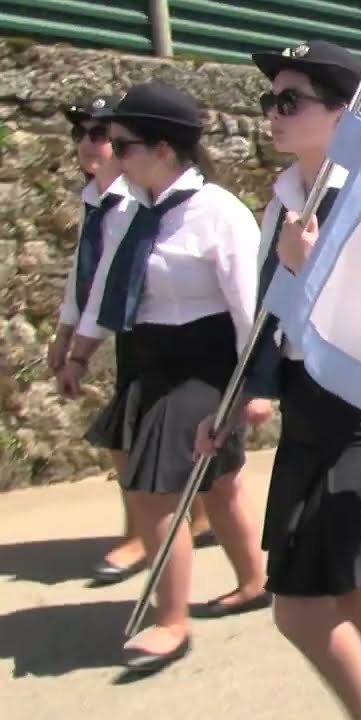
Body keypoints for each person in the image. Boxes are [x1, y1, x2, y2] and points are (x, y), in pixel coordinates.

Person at [196, 41, 361, 720]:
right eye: (271, 99)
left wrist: (313, 271)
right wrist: (235, 400)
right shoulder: (286, 198)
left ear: (343, 113)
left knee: (297, 610)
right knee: (352, 594)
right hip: (307, 409)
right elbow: (269, 318)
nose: (273, 112)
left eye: (291, 100)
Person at [60, 80, 272, 672]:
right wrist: (79, 354)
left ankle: (170, 623)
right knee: (220, 484)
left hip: (205, 366)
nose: (111, 153)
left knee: (153, 495)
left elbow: (249, 307)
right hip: (151, 360)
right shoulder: (135, 213)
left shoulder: (219, 214)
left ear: (163, 148)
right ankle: (255, 581)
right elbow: (106, 287)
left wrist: (256, 389)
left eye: (121, 143)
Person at [50, 93, 219, 585]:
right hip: (120, 329)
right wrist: (67, 328)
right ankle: (194, 521)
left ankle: (144, 537)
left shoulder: (137, 201)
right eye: (80, 133)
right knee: (140, 435)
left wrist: (81, 347)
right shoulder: (97, 199)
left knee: (135, 438)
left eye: (102, 135)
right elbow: (86, 273)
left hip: (149, 331)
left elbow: (115, 279)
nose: (89, 143)